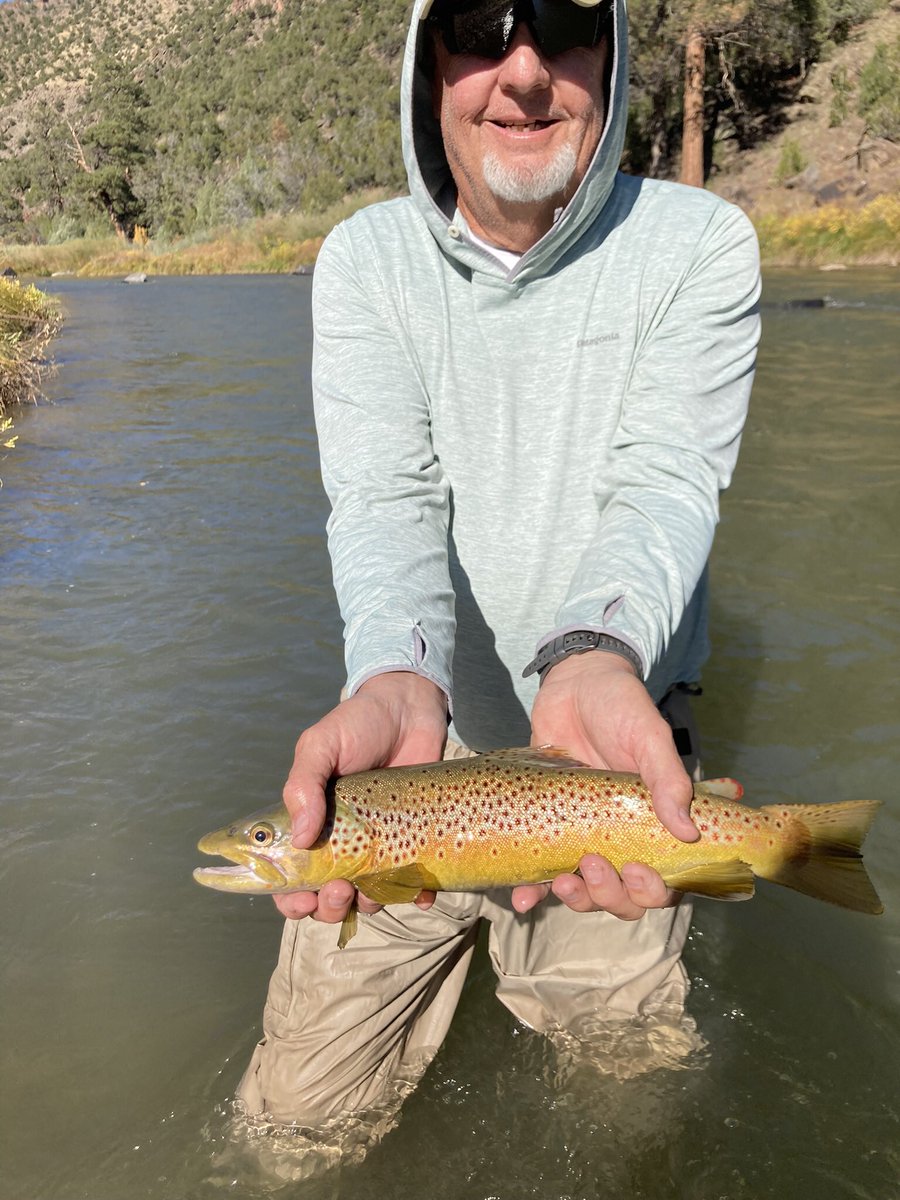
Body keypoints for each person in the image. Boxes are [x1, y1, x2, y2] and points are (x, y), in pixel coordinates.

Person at [236, 0, 761, 1137]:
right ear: (432, 63)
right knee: (288, 1131)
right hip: (412, 771)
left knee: (629, 1118)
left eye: (567, 23)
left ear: (610, 57)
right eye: (480, 23)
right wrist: (393, 679)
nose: (522, 73)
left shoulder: (699, 247)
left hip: (607, 759)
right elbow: (386, 503)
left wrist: (592, 656)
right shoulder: (366, 263)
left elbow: (666, 484)